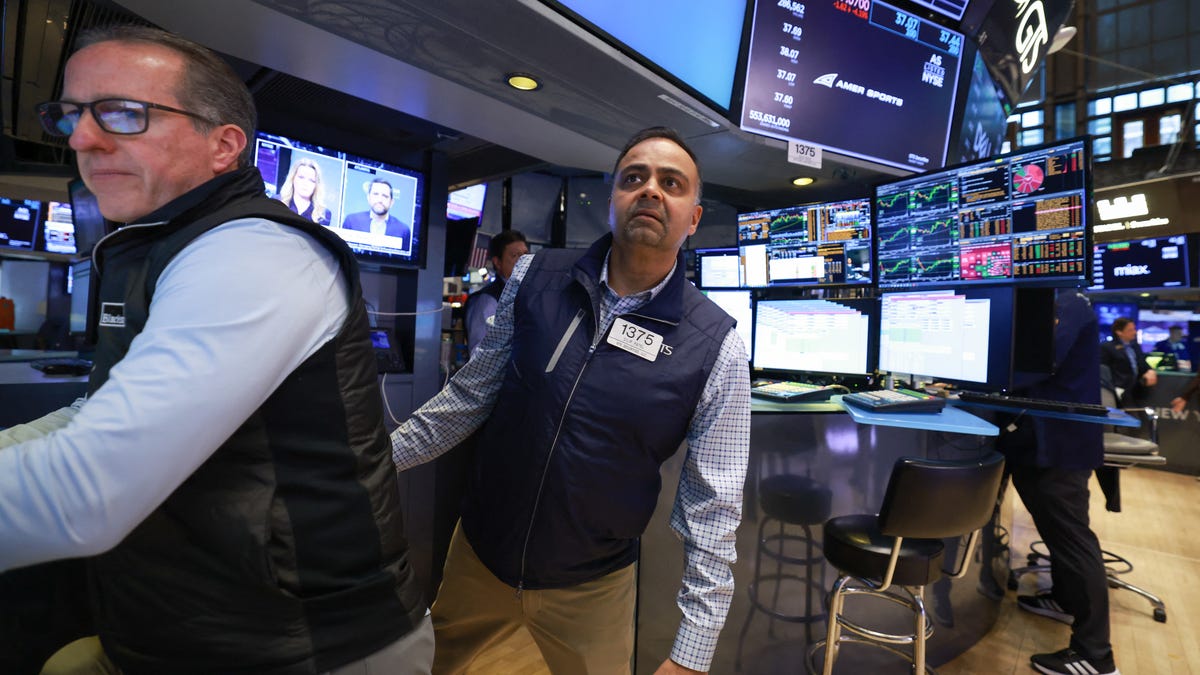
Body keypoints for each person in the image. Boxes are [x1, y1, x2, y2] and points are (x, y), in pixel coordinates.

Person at [0, 25, 431, 674]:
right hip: (177, 625)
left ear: (224, 145)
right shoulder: (155, 247)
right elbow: (99, 413)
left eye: (124, 113)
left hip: (303, 645)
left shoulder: (256, 252)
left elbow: (86, 491)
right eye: (71, 115)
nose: (83, 139)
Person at [391, 127, 751, 675]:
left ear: (694, 218)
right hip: (480, 559)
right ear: (613, 200)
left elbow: (712, 506)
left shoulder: (714, 345)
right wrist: (374, 461)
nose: (651, 190)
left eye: (672, 183)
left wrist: (693, 651)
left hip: (592, 588)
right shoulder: (536, 278)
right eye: (635, 178)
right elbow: (469, 396)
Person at [997, 290, 1120, 675]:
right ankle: (1065, 600)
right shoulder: (1055, 301)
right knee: (1059, 534)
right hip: (1039, 440)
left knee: (1072, 540)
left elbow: (1036, 363)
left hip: (1058, 443)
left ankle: (1096, 655)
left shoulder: (1067, 302)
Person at [463, 228, 528, 354]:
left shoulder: (528, 294)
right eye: (515, 256)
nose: (523, 260)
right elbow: (479, 353)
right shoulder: (488, 301)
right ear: (498, 263)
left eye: (525, 254)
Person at [1099, 317, 1156, 404]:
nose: (1134, 332)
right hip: (1117, 391)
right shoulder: (1107, 348)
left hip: (1136, 391)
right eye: (1130, 330)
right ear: (1119, 332)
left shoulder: (1135, 346)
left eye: (1134, 329)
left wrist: (1150, 370)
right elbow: (1103, 371)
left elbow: (1142, 363)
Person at [342, 177, 412, 244]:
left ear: (391, 202)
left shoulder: (403, 230)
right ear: (368, 198)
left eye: (385, 196)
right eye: (375, 194)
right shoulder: (351, 221)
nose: (380, 200)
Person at [277, 156, 332, 225]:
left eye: (311, 180)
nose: (305, 183)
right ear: (293, 178)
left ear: (316, 185)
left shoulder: (324, 214)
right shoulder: (276, 202)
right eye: (301, 177)